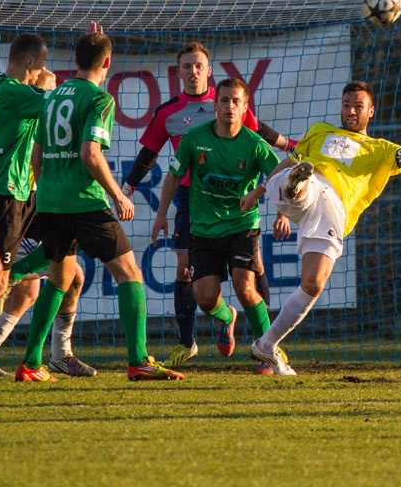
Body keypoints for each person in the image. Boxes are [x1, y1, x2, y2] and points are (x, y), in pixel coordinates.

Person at [17, 22, 183, 382]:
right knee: (130, 274)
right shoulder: (98, 99)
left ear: (76, 60)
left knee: (59, 280)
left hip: (49, 202)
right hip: (84, 203)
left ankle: (30, 363)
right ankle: (138, 360)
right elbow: (91, 153)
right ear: (107, 63)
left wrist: (48, 191)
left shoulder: (52, 96)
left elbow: (36, 155)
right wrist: (118, 193)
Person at [122, 42, 295, 368]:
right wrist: (138, 196)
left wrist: (277, 196)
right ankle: (195, 337)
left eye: (198, 65)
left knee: (248, 281)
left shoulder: (248, 133)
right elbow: (156, 161)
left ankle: (268, 350)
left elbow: (275, 166)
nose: (192, 71)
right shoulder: (179, 123)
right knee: (197, 286)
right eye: (186, 66)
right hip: (196, 206)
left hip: (241, 214)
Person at [250, 80, 401, 374]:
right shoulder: (320, 130)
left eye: (358, 106)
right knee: (302, 176)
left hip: (333, 209)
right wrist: (257, 192)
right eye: (346, 105)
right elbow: (289, 158)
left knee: (314, 283)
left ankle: (267, 345)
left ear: (371, 111)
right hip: (311, 185)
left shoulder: (382, 150)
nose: (351, 111)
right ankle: (295, 186)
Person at [152, 78, 280, 373]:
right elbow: (173, 177)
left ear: (245, 107)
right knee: (206, 298)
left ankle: (267, 351)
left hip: (241, 225)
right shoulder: (194, 139)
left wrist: (265, 198)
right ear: (215, 105)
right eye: (224, 100)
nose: (230, 106)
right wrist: (161, 216)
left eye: (236, 101)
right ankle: (226, 317)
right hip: (204, 229)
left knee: (244, 285)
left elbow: (279, 175)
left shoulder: (254, 144)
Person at [0, 33, 51, 310]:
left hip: (22, 192)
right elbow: (64, 103)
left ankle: (14, 275)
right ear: (29, 61)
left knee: (66, 238)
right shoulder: (17, 92)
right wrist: (95, 68)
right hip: (7, 192)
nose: (44, 70)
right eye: (42, 63)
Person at [0, 231, 95, 377]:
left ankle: (60, 356)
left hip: (24, 231)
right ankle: (61, 355)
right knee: (70, 275)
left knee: (25, 295)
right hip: (16, 232)